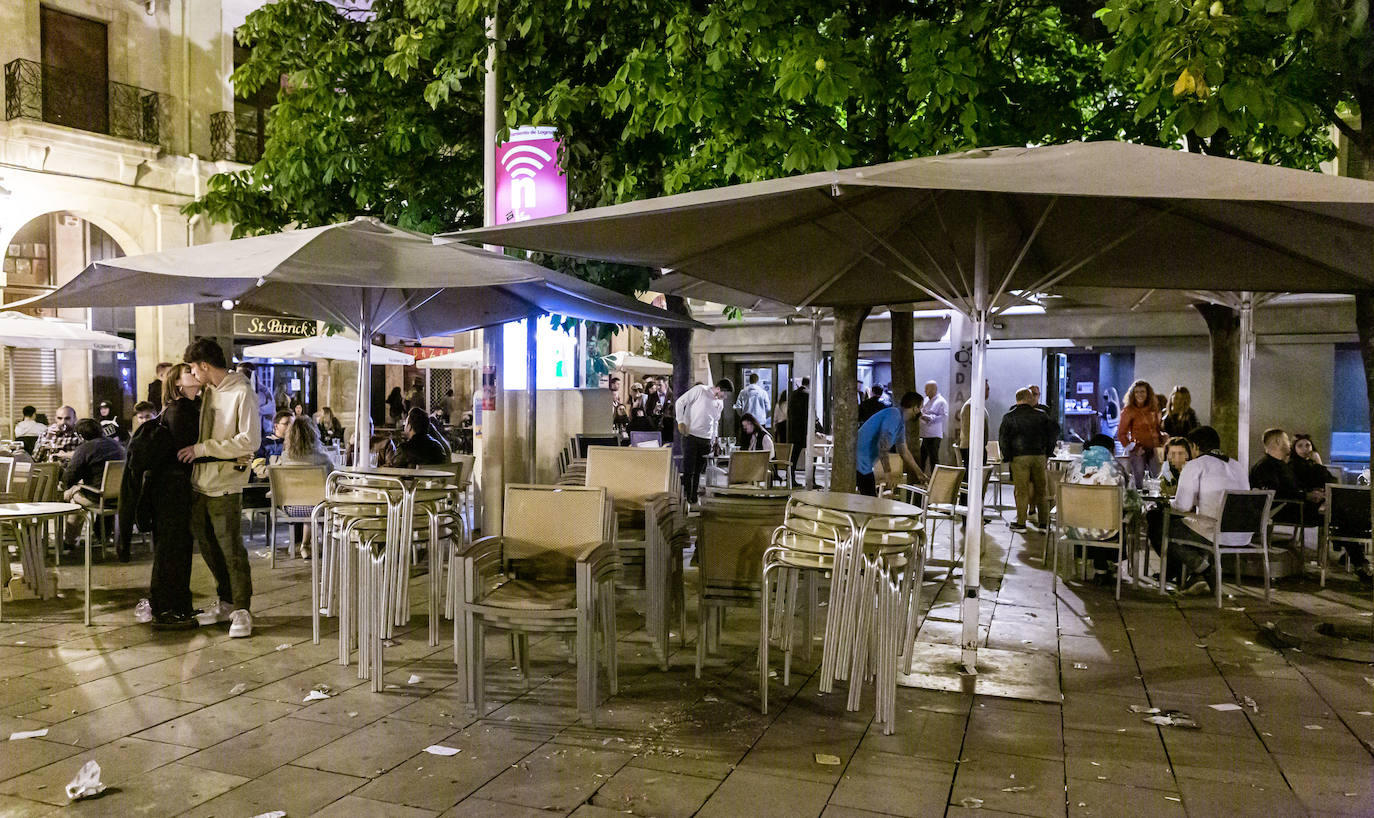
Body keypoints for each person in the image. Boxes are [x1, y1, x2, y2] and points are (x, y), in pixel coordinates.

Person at [180, 338, 261, 638]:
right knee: (209, 547)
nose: (192, 373)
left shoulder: (242, 392)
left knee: (230, 548)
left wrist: (203, 449)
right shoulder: (208, 391)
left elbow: (250, 440)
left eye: (193, 368)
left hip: (225, 483)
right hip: (200, 482)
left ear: (204, 365)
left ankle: (242, 608)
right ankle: (226, 601)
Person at [120, 362, 202, 626]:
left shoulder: (182, 408)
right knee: (171, 549)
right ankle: (165, 608)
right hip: (170, 490)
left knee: (176, 548)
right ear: (177, 382)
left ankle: (177, 605)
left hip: (168, 488)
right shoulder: (181, 410)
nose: (194, 374)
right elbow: (184, 452)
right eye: (188, 372)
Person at [1167, 425, 1249, 595]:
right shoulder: (1237, 466)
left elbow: (1182, 506)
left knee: (1163, 526)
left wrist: (1167, 504)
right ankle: (1196, 577)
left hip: (1214, 533)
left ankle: (1202, 570)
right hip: (1243, 533)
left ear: (1195, 446)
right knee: (1196, 524)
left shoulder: (1195, 465)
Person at [1065, 433, 1136, 583]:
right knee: (1119, 516)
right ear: (1110, 450)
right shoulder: (1116, 469)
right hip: (1107, 530)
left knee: (1092, 516)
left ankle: (1099, 565)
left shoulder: (1072, 466)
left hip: (1076, 527)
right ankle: (1106, 564)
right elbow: (1127, 501)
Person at [999, 387, 1060, 532]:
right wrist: (1048, 452)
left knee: (1022, 491)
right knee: (1041, 490)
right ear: (1029, 398)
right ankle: (1043, 524)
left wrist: (1007, 456)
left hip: (1019, 457)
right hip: (1039, 456)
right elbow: (1053, 432)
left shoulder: (1009, 417)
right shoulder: (1042, 415)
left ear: (1017, 399)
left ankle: (1021, 523)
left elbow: (1003, 439)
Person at [61, 418, 125, 551]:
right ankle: (103, 535)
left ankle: (69, 541)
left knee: (73, 497)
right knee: (91, 488)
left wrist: (70, 487)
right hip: (120, 497)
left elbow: (69, 477)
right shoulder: (116, 445)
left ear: (80, 436)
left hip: (98, 498)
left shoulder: (84, 448)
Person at [855, 391, 926, 497]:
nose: (921, 412)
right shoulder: (894, 415)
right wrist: (888, 474)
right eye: (921, 408)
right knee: (870, 501)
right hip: (858, 461)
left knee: (869, 499)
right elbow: (882, 446)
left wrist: (919, 473)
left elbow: (904, 452)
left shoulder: (900, 422)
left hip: (864, 464)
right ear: (915, 408)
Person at [676, 378, 734, 505]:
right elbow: (680, 402)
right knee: (689, 469)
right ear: (718, 388)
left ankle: (693, 498)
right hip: (691, 435)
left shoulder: (719, 403)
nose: (725, 397)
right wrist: (680, 421)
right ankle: (686, 498)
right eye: (724, 394)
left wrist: (715, 439)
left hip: (706, 440)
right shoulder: (700, 390)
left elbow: (716, 421)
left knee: (699, 470)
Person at [1116, 379, 1161, 488]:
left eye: (1142, 392)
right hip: (1138, 450)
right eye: (1137, 392)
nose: (1139, 394)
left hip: (1153, 448)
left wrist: (1161, 440)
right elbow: (1121, 433)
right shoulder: (1128, 410)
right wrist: (1132, 447)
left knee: (1157, 478)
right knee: (1139, 480)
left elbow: (1156, 428)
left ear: (1147, 393)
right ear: (1133, 394)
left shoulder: (1153, 408)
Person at [956, 381, 990, 478]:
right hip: (972, 448)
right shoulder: (970, 406)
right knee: (971, 478)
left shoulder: (978, 404)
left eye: (988, 389)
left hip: (977, 447)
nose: (988, 392)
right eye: (986, 389)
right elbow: (970, 431)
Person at [237, 362, 275, 442]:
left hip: (258, 434)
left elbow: (270, 410)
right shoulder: (239, 391)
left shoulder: (261, 394)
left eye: (240, 373)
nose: (236, 376)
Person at [919, 380, 948, 474]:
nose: (925, 391)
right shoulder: (926, 400)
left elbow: (944, 416)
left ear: (933, 389)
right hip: (923, 434)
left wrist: (929, 418)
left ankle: (935, 479)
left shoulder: (941, 401)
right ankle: (921, 478)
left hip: (934, 435)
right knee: (921, 458)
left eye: (927, 389)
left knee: (933, 459)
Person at [786, 377, 812, 476]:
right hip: (803, 430)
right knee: (811, 453)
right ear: (809, 384)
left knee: (794, 455)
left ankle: (790, 476)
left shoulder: (793, 394)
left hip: (793, 429)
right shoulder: (807, 395)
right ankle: (811, 477)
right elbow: (808, 413)